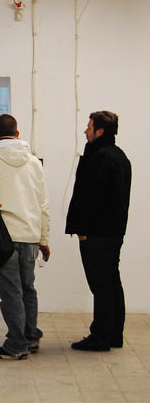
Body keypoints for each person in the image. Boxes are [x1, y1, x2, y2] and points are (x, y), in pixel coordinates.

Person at [0, 114, 50, 360]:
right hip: (30, 234)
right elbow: (43, 204)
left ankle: (17, 344)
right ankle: (30, 336)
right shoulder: (34, 163)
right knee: (28, 288)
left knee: (10, 292)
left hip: (3, 236)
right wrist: (44, 238)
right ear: (17, 134)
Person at [66, 111, 131, 352]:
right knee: (112, 282)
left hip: (97, 234)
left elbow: (90, 198)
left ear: (100, 131)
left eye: (89, 127)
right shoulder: (119, 156)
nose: (85, 131)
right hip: (113, 232)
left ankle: (101, 336)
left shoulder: (100, 158)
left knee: (101, 285)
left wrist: (83, 230)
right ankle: (114, 335)